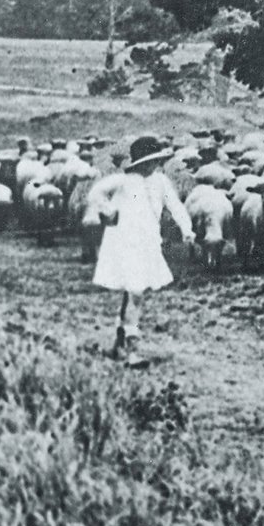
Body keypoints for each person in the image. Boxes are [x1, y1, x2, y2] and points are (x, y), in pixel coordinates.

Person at [92, 133, 192, 359]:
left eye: (158, 161)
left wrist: (187, 229)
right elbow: (96, 193)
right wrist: (108, 212)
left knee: (133, 293)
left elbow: (175, 205)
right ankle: (132, 350)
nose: (156, 165)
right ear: (143, 162)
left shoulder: (161, 181)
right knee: (135, 292)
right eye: (152, 161)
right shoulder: (125, 182)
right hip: (126, 242)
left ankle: (118, 344)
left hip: (148, 242)